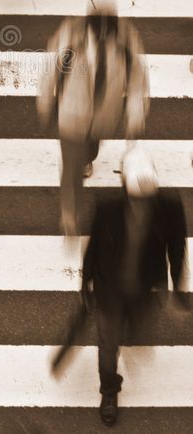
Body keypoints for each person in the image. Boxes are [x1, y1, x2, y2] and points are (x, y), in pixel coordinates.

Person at [82, 144, 189, 426]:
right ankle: (109, 392)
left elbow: (176, 249)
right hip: (110, 290)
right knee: (107, 345)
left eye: (147, 198)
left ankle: (128, 333)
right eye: (136, 198)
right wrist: (86, 286)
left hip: (144, 289)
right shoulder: (107, 209)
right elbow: (93, 249)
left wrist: (178, 291)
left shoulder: (170, 208)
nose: (142, 204)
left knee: (137, 332)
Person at [37, 0, 149, 236]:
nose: (104, 34)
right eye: (99, 29)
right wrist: (45, 104)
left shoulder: (126, 39)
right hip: (72, 113)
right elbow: (49, 73)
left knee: (91, 149)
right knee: (70, 168)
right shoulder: (69, 36)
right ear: (90, 24)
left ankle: (87, 157)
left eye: (109, 29)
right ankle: (69, 214)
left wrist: (135, 113)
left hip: (104, 115)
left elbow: (138, 80)